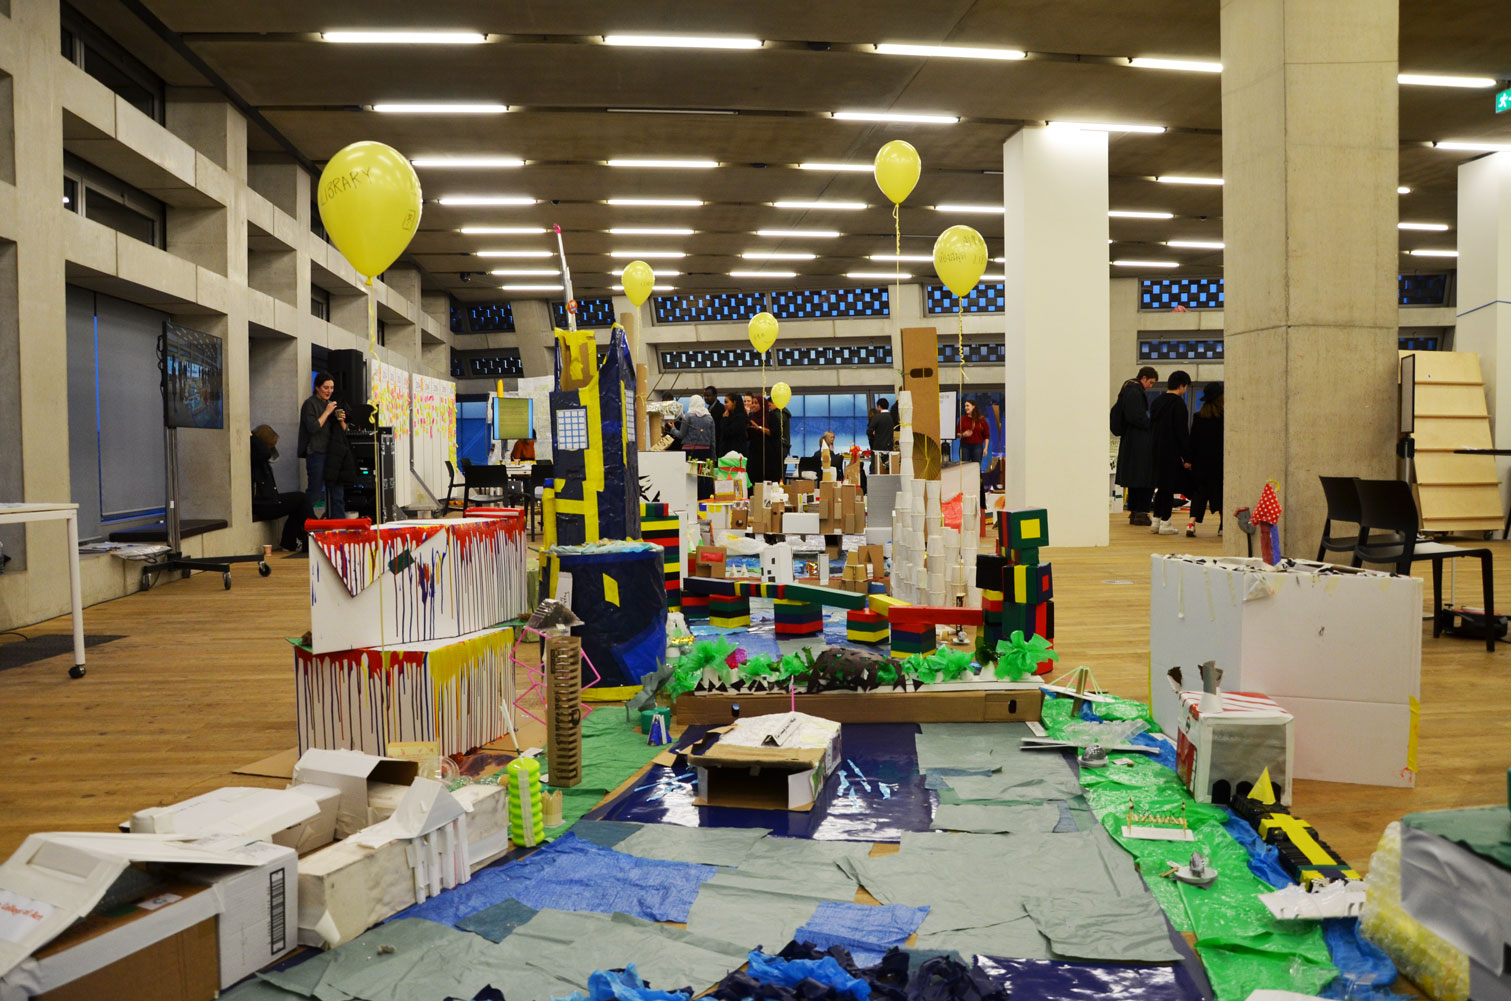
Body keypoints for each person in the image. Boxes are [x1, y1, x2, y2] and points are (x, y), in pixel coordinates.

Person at [250, 425, 316, 554]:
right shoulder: (255, 456)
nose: (272, 449)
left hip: (268, 500)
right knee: (301, 498)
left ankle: (290, 543)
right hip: (263, 504)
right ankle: (315, 535)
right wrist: (253, 437)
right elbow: (265, 453)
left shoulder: (258, 455)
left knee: (299, 505)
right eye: (271, 445)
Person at [1148, 370, 1193, 536]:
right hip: (1171, 450)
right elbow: (1181, 433)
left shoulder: (1157, 402)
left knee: (1161, 486)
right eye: (1186, 387)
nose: (1185, 390)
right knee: (1168, 487)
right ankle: (1166, 522)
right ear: (1181, 386)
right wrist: (1187, 457)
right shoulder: (1178, 404)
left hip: (1155, 449)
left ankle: (1156, 520)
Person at [1112, 366, 1159, 526]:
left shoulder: (1129, 389)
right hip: (1138, 441)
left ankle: (1135, 511)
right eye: (1150, 382)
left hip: (1131, 440)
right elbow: (1136, 416)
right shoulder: (1134, 391)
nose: (1150, 386)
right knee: (1144, 477)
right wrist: (1151, 425)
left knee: (1135, 478)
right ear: (1144, 378)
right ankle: (1141, 512)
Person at [298, 372, 347, 518]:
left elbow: (344, 431)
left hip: (333, 454)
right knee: (315, 492)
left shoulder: (330, 405)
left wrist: (341, 420)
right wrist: (327, 412)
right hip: (316, 452)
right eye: (326, 387)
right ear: (317, 387)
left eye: (332, 388)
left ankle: (339, 527)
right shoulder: (310, 404)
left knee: (337, 493)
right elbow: (313, 427)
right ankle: (301, 522)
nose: (329, 391)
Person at [1186, 382, 1224, 538]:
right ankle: (1223, 526)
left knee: (1199, 493)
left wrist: (1189, 460)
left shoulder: (1198, 417)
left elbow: (1192, 440)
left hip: (1201, 462)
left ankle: (1191, 523)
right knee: (1221, 493)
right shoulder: (1223, 418)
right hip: (1219, 462)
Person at [671, 395, 716, 499]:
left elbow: (681, 435)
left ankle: (690, 502)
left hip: (689, 453)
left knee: (690, 480)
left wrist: (673, 429)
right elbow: (712, 440)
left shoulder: (688, 416)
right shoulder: (710, 418)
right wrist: (713, 457)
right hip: (705, 453)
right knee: (704, 479)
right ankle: (704, 501)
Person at [746, 396, 784, 484]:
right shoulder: (752, 417)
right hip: (755, 454)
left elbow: (774, 433)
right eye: (753, 403)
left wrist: (759, 428)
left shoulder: (771, 416)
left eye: (756, 403)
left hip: (769, 454)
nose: (753, 405)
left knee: (769, 480)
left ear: (762, 405)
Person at [956, 399, 989, 464]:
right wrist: (963, 435)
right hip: (964, 446)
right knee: (964, 467)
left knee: (976, 467)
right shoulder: (962, 419)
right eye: (965, 406)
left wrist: (986, 448)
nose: (966, 408)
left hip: (977, 446)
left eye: (967, 406)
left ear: (973, 407)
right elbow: (957, 434)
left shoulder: (981, 419)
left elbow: (987, 435)